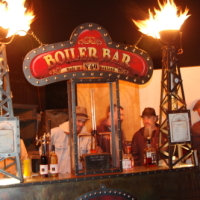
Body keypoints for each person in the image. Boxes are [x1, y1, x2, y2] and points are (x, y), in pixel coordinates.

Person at [51, 106, 92, 174]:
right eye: (79, 121)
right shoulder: (55, 133)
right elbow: (44, 154)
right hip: (58, 177)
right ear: (71, 119)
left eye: (83, 122)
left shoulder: (88, 137)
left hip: (79, 177)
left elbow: (90, 159)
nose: (81, 124)